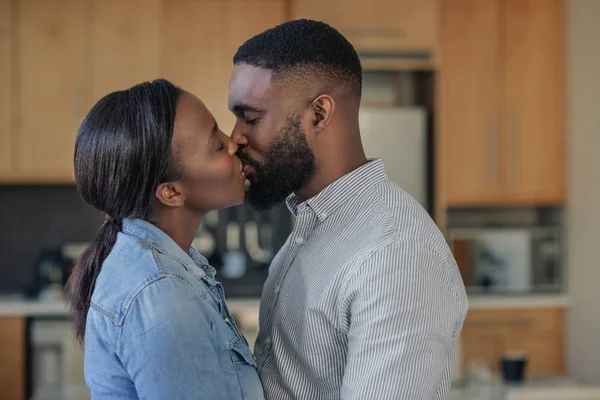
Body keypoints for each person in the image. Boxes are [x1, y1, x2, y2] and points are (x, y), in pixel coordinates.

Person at [228, 19, 468, 399]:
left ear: (319, 114)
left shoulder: (395, 254)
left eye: (251, 117)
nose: (235, 137)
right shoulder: (314, 225)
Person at [66, 79, 264, 400]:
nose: (234, 144)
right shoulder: (160, 292)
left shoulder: (159, 264)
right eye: (216, 145)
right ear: (171, 192)